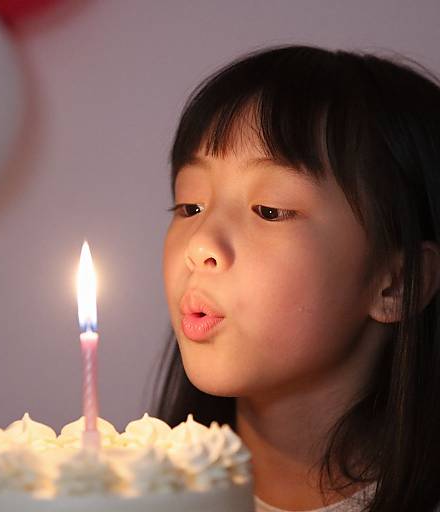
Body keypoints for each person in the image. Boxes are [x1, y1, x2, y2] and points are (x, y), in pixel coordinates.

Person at [150, 45, 440, 511]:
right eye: (190, 206)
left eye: (269, 210)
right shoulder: (137, 492)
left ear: (396, 283)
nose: (199, 246)